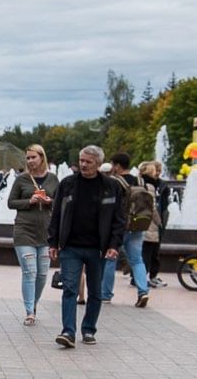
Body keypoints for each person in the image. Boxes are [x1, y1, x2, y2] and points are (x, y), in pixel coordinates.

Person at [48, 145, 127, 348]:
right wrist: (53, 242)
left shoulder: (111, 186)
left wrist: (114, 245)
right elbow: (56, 214)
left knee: (95, 292)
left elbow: (119, 219)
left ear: (98, 164)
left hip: (98, 248)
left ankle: (89, 329)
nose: (83, 164)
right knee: (70, 289)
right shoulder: (67, 184)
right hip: (71, 247)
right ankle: (68, 331)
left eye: (88, 162)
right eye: (81, 160)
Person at [7, 144, 60, 325]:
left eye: (33, 157)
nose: (30, 161)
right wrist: (29, 201)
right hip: (24, 231)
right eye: (27, 158)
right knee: (30, 271)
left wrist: (49, 201)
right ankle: (29, 311)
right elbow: (11, 202)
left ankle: (34, 304)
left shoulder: (53, 179)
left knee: (42, 274)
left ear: (42, 158)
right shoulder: (22, 179)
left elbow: (61, 204)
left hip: (46, 232)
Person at [101, 153, 150, 307]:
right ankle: (143, 291)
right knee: (137, 260)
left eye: (112, 165)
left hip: (119, 227)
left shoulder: (114, 181)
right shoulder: (141, 181)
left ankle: (106, 294)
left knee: (110, 259)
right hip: (137, 225)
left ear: (117, 166)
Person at [138, 160, 168, 286]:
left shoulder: (141, 182)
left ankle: (141, 278)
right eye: (156, 170)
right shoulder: (149, 186)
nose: (158, 173)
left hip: (140, 222)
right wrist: (159, 222)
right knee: (146, 253)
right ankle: (141, 281)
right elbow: (153, 208)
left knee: (143, 253)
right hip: (149, 224)